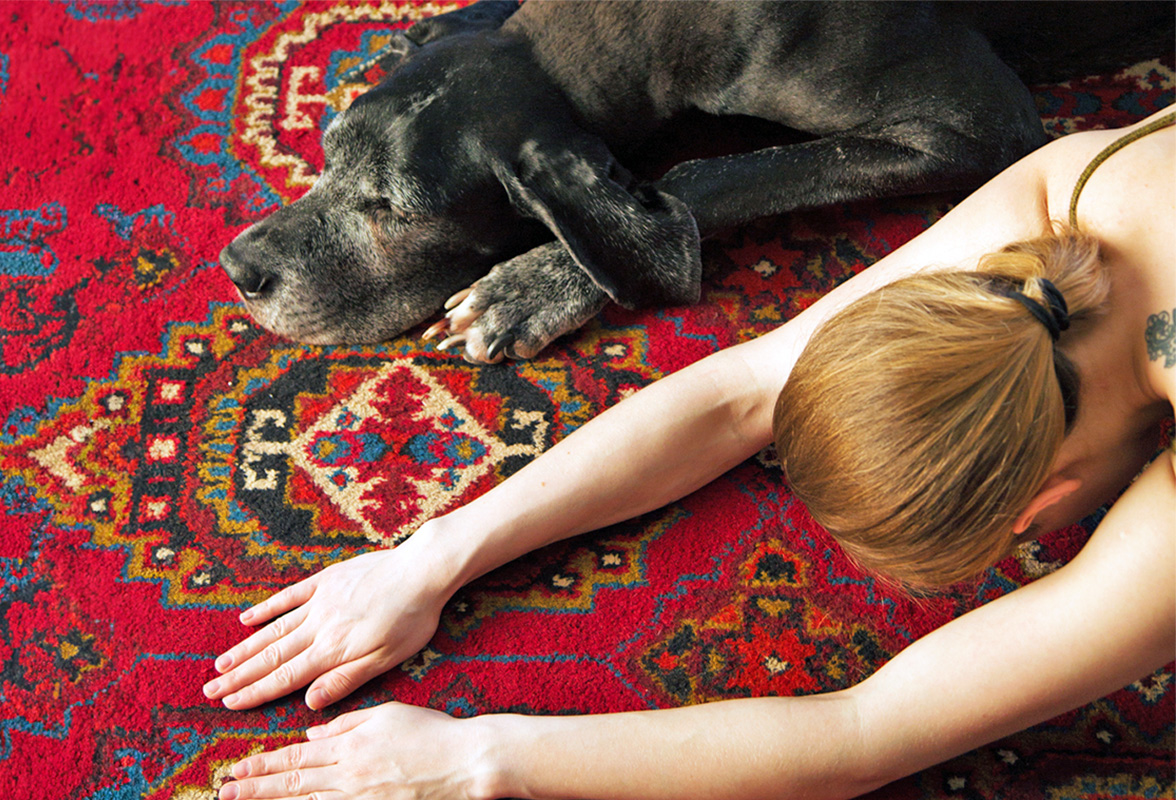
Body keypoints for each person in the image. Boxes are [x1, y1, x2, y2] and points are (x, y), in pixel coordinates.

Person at [205, 108, 1174, 800]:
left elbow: (863, 733)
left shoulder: (1079, 185)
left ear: (1041, 502)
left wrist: (480, 761)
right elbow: (744, 389)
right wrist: (430, 555)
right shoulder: (1075, 187)